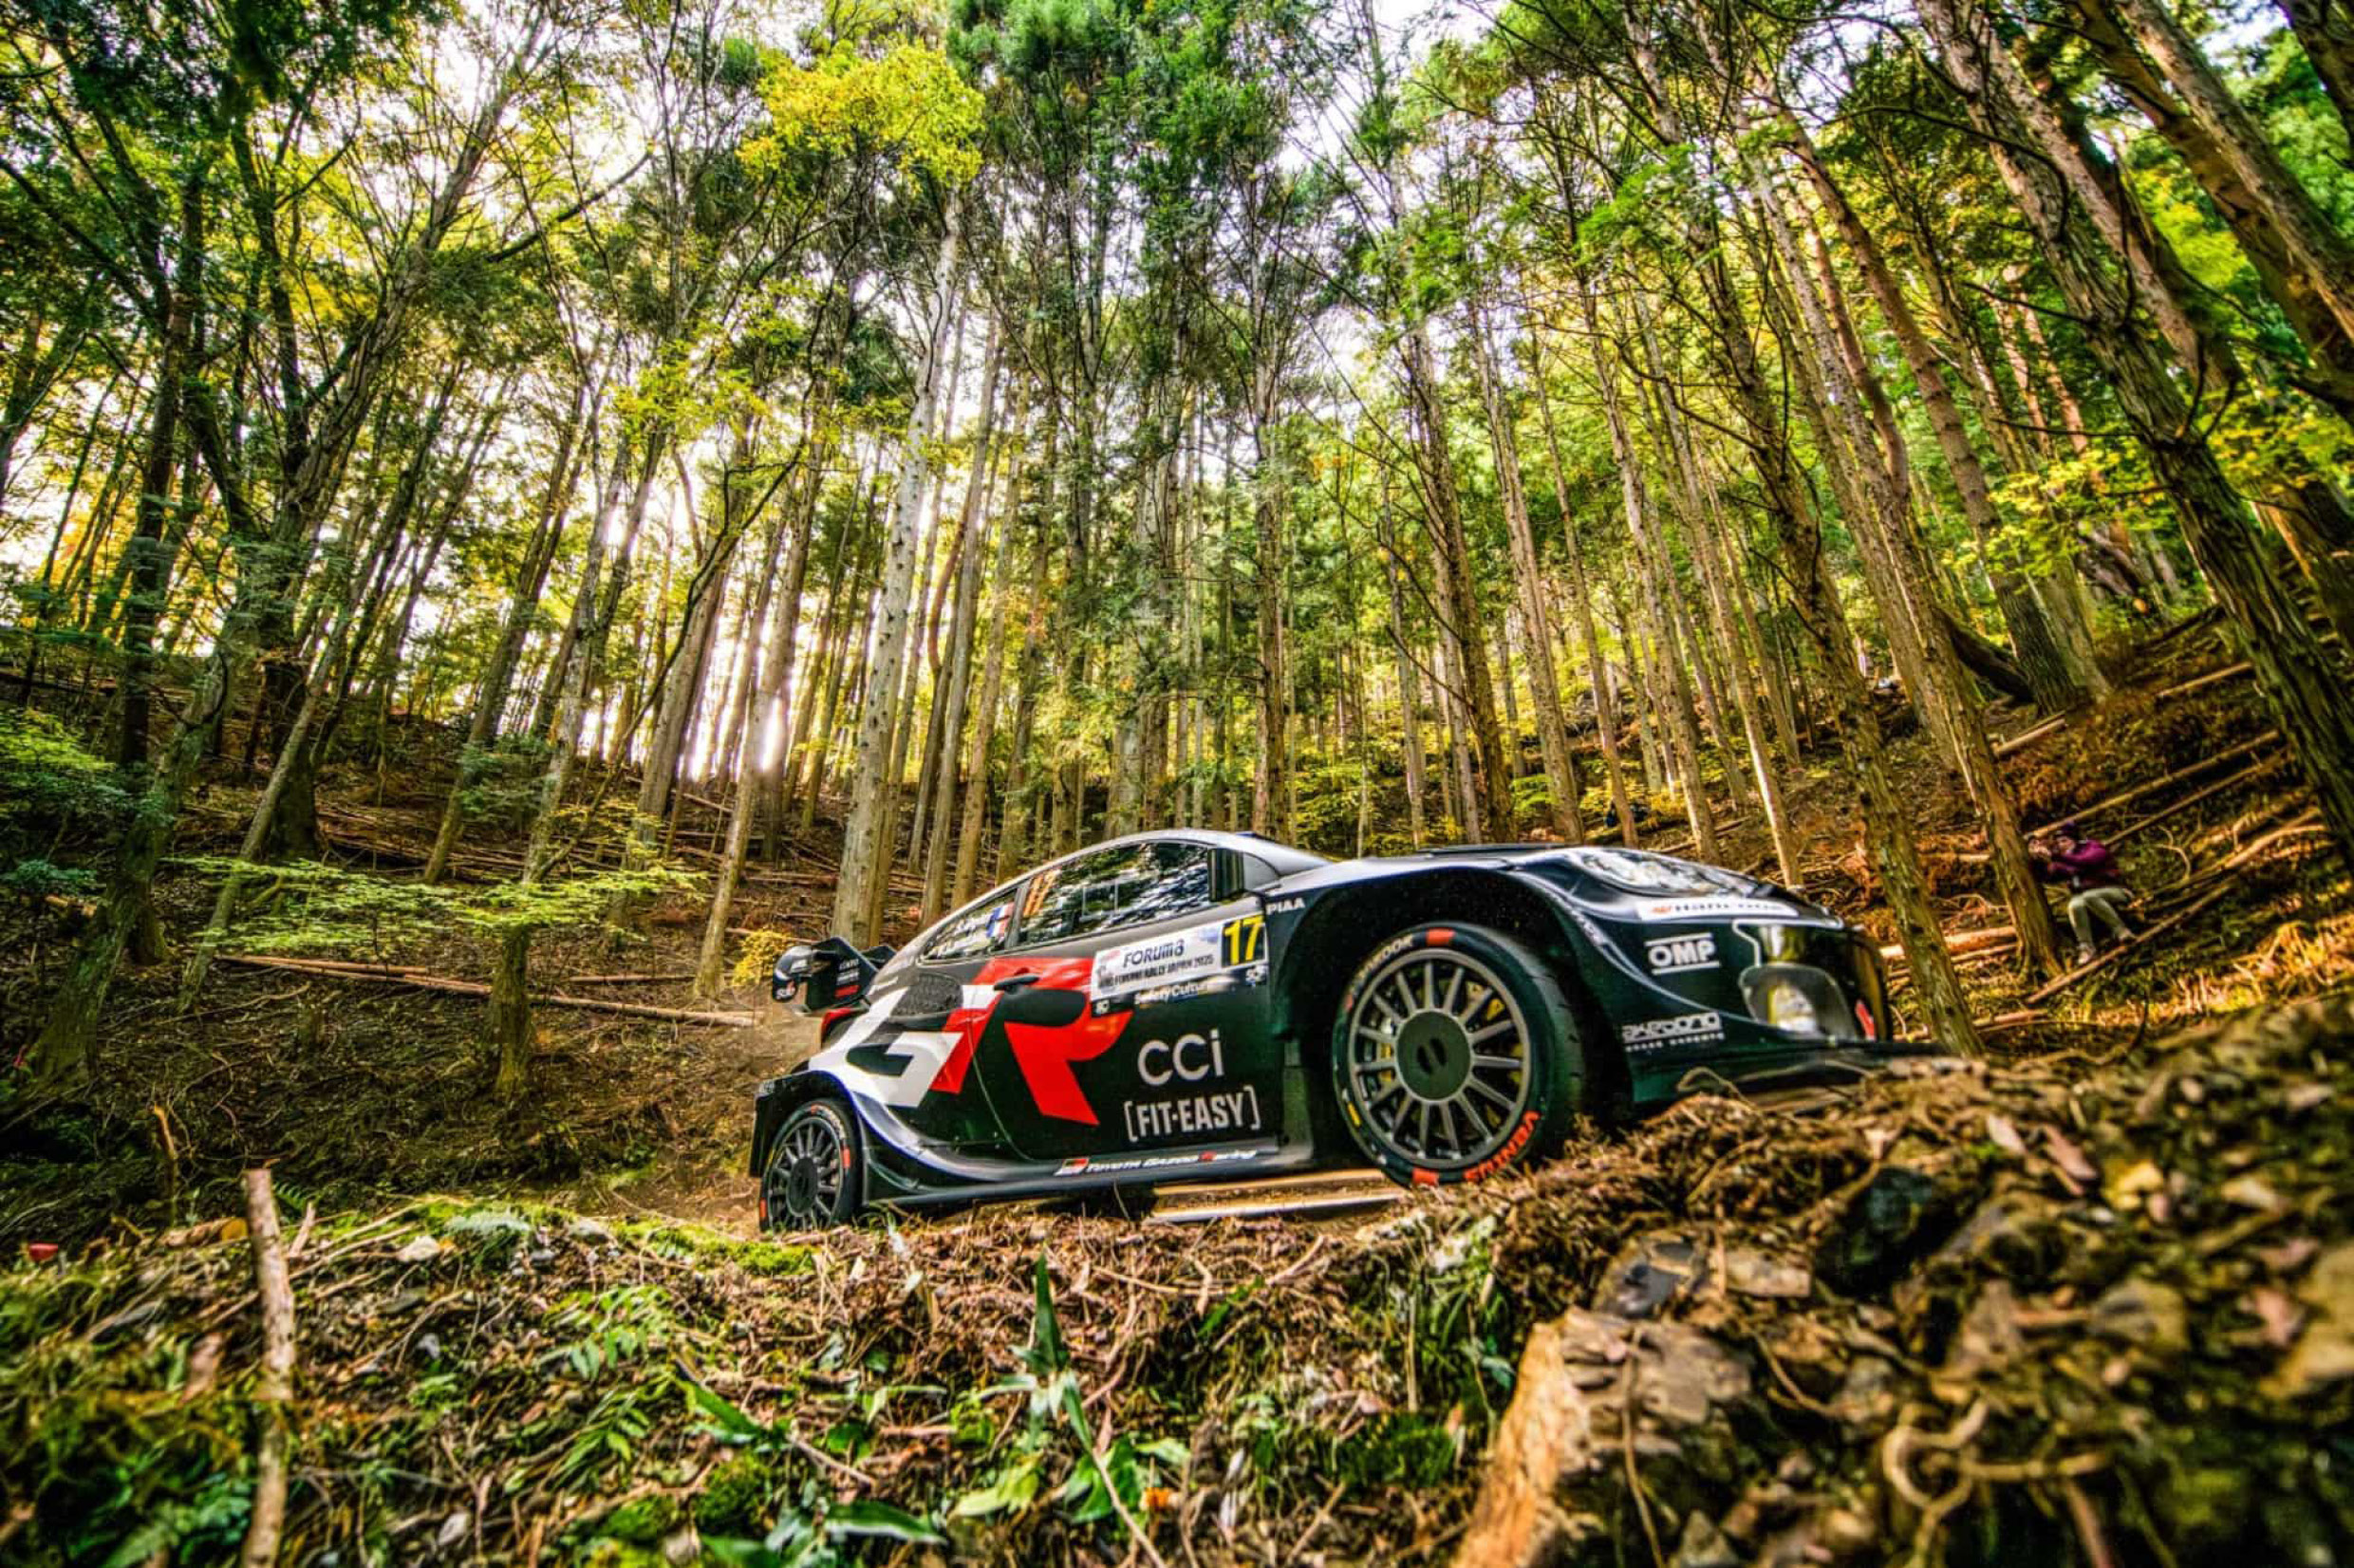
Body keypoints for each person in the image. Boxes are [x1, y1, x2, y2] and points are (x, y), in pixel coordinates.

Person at [2031, 819, 2134, 967]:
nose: (2061, 845)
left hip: (2116, 891)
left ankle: (2121, 931)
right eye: (2058, 842)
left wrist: (2056, 857)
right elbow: (2049, 876)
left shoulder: (2093, 847)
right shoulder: (2063, 861)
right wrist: (2038, 859)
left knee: (2088, 897)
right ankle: (2086, 947)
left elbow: (2086, 862)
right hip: (2086, 898)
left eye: (2064, 840)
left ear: (2075, 840)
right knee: (2075, 905)